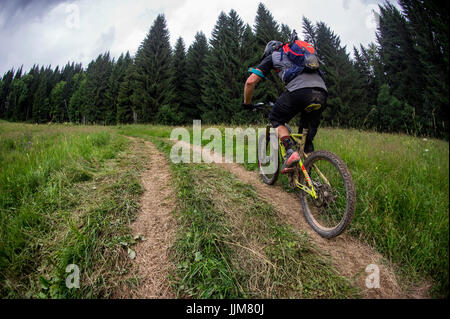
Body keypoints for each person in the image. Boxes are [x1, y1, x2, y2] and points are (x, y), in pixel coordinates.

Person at [242, 36, 328, 173]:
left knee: (276, 118)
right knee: (306, 142)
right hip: (322, 92)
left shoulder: (273, 56)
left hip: (299, 91)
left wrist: (247, 103)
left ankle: (289, 152)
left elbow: (250, 82)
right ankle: (308, 180)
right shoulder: (300, 58)